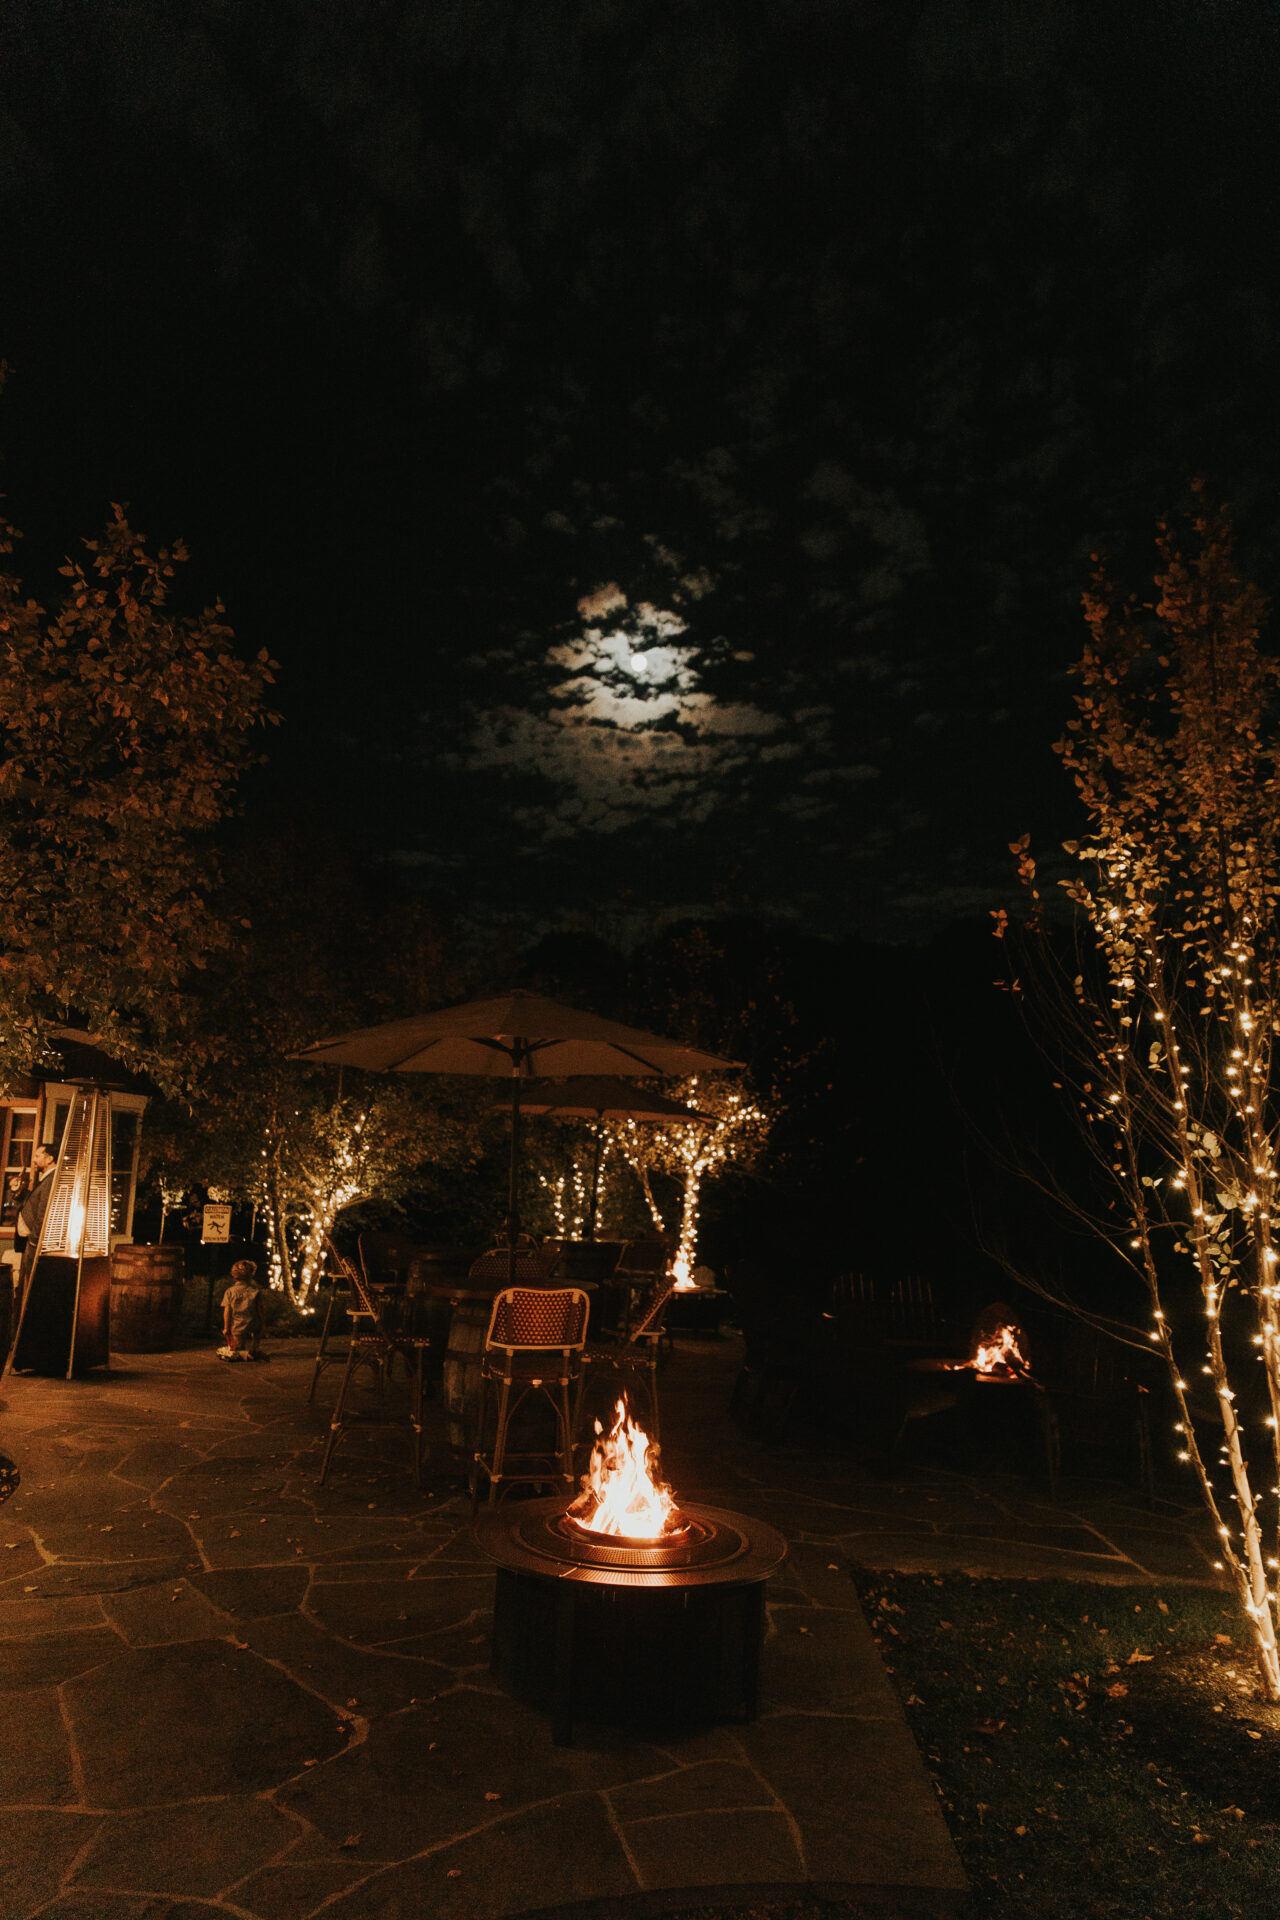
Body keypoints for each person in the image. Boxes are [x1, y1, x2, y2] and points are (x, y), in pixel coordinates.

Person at [14, 1143, 58, 1294]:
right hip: (30, 1242)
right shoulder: (46, 1178)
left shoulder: (52, 1179)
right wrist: (19, 1190)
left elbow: (44, 1213)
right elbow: (33, 1202)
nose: (34, 1160)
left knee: (31, 1285)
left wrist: (34, 1240)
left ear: (50, 1159)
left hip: (35, 1243)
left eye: (38, 1156)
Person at [218, 1259, 265, 1361]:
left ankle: (246, 1354)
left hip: (237, 1326)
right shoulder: (256, 1291)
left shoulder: (230, 1291)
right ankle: (254, 1350)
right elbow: (260, 1310)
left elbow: (227, 1311)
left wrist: (226, 1328)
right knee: (255, 1338)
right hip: (254, 1323)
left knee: (233, 1350)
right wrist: (261, 1323)